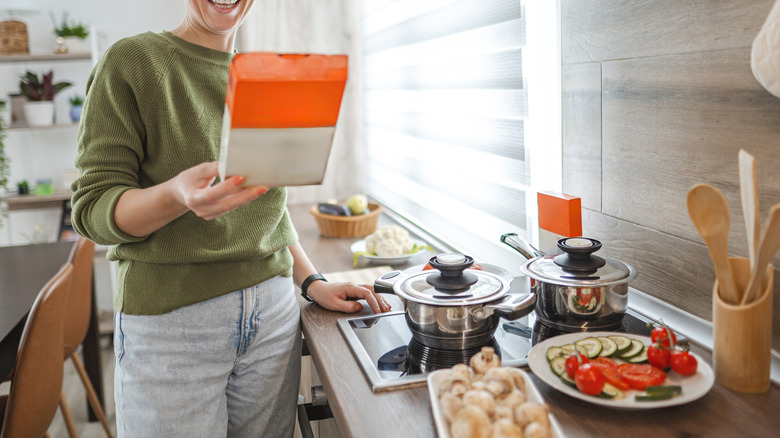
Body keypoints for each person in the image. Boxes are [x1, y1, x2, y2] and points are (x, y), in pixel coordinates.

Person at [70, 1, 391, 436]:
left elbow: (266, 209)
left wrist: (313, 282)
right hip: (172, 325)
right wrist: (176, 195)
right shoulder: (132, 62)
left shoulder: (265, 76)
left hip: (273, 318)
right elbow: (92, 210)